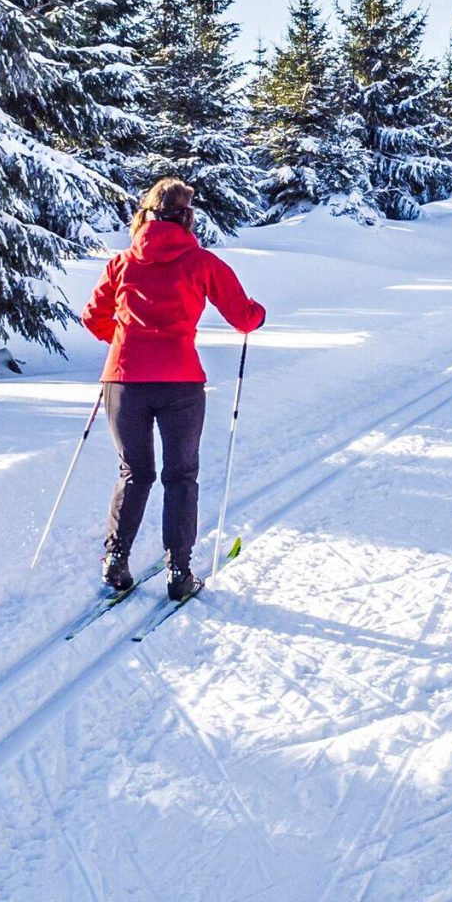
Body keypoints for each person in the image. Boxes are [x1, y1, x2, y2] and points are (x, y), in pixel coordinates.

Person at [81, 178, 267, 602]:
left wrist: (128, 339)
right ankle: (179, 572)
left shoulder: (122, 262)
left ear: (146, 212)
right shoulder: (200, 262)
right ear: (187, 217)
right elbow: (243, 316)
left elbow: (93, 318)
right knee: (180, 476)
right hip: (180, 380)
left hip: (124, 380)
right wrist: (257, 315)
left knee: (134, 472)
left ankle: (115, 561)